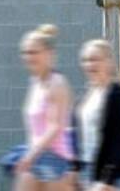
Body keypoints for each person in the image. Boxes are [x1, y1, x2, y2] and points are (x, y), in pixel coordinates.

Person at [15, 24, 75, 191]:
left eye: (34, 52)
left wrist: (30, 156)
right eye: (25, 52)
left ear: (49, 54)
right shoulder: (35, 82)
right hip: (38, 157)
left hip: (55, 160)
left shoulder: (56, 84)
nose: (28, 57)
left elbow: (54, 127)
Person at [74, 39, 120, 191]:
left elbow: (119, 140)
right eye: (86, 60)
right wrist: (75, 169)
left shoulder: (116, 95)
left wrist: (107, 179)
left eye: (95, 59)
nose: (90, 65)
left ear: (109, 62)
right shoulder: (88, 95)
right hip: (89, 167)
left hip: (114, 174)